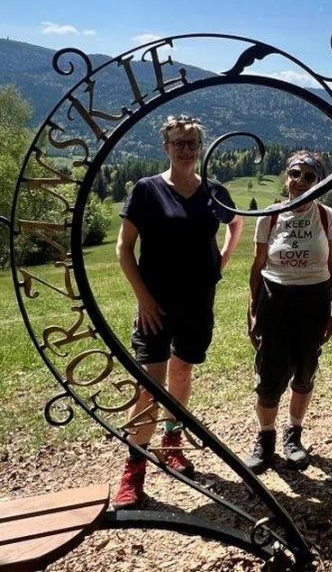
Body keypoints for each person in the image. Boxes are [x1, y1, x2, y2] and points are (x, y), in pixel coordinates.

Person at [113, 115, 244, 509]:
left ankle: (172, 441)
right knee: (149, 385)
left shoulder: (214, 191)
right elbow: (124, 248)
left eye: (192, 143)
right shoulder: (147, 190)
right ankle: (134, 469)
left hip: (197, 302)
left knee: (182, 372)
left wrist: (221, 261)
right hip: (155, 305)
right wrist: (143, 299)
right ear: (165, 146)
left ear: (200, 147)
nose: (186, 149)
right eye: (178, 142)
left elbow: (236, 223)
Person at [245, 150, 332, 473]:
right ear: (286, 177)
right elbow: (258, 265)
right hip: (275, 298)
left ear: (319, 182)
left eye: (309, 176)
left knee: (305, 370)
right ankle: (266, 438)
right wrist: (252, 309)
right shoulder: (270, 216)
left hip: (314, 300)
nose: (300, 182)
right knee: (269, 374)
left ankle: (293, 434)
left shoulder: (327, 217)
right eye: (295, 174)